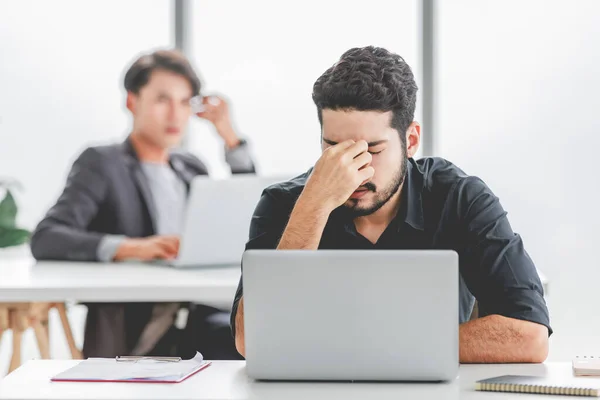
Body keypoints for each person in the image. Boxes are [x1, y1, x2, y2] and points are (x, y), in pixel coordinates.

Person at [231, 46, 551, 363]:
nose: (354, 170)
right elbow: (251, 340)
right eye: (334, 148)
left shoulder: (460, 198)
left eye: (372, 149)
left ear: (410, 141)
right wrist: (313, 205)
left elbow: (529, 336)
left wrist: (372, 349)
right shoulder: (284, 203)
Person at [30, 49, 253, 359]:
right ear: (132, 101)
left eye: (184, 102)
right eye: (162, 100)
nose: (175, 115)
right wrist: (133, 247)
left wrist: (228, 135)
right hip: (141, 321)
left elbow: (250, 208)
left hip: (199, 307)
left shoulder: (191, 167)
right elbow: (47, 237)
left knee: (254, 340)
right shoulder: (102, 163)